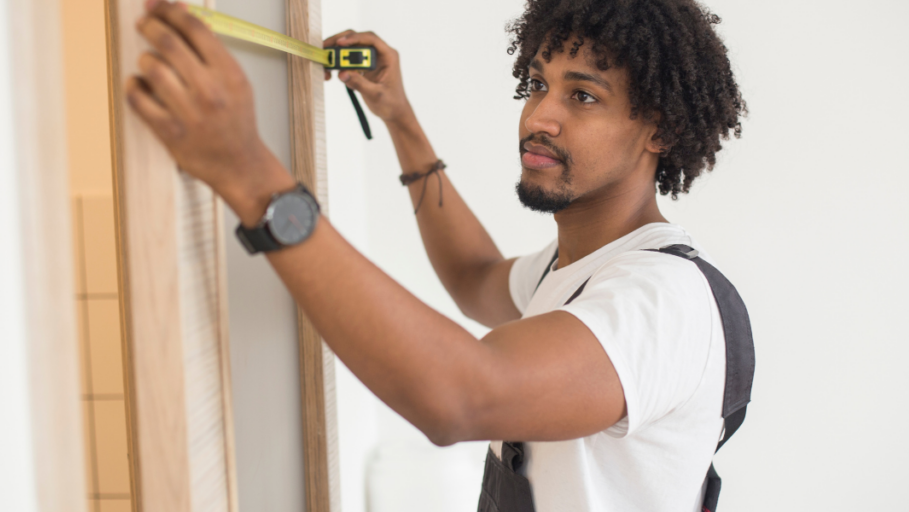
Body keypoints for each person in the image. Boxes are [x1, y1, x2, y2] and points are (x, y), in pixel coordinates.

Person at [127, 0, 748, 510]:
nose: (539, 116)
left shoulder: (661, 300)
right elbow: (473, 277)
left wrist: (254, 179)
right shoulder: (582, 271)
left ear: (660, 130)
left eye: (582, 97)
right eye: (537, 84)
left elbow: (460, 397)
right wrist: (399, 118)